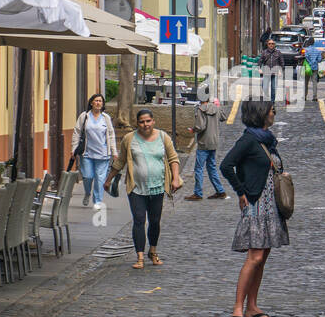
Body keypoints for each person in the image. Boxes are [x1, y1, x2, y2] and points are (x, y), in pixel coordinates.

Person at [220, 100, 289, 317]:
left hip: (271, 206)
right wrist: (240, 192)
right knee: (254, 257)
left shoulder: (268, 140)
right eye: (271, 110)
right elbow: (226, 165)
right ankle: (237, 307)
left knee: (263, 258)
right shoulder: (249, 140)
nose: (274, 113)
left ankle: (252, 306)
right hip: (256, 204)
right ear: (260, 114)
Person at [107, 109, 183, 269]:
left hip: (158, 187)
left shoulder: (163, 137)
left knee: (154, 221)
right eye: (142, 121)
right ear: (137, 123)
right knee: (139, 220)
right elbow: (120, 162)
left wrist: (175, 178)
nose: (145, 124)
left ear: (153, 121)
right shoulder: (129, 139)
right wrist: (108, 180)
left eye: (148, 121)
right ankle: (140, 256)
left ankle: (153, 251)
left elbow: (173, 159)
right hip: (136, 188)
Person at [71, 93, 117, 207]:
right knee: (87, 176)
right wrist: (74, 149)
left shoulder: (106, 118)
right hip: (87, 153)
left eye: (100, 101)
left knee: (100, 179)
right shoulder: (84, 116)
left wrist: (114, 151)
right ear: (91, 103)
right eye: (96, 101)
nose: (98, 103)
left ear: (102, 104)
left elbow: (111, 135)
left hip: (103, 153)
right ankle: (87, 193)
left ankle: (97, 201)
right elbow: (77, 132)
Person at [186, 91, 228, 201]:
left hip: (204, 142)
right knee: (212, 167)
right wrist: (219, 106)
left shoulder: (201, 109)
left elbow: (200, 126)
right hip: (214, 142)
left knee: (199, 168)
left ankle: (198, 193)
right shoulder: (215, 107)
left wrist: (193, 130)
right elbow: (224, 117)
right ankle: (220, 191)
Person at [258, 39, 284, 104]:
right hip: (266, 73)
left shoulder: (278, 52)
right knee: (265, 87)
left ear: (274, 45)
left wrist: (281, 70)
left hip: (275, 73)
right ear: (267, 44)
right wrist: (259, 68)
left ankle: (272, 101)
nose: (271, 45)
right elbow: (260, 61)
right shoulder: (264, 52)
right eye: (269, 43)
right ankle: (266, 98)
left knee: (273, 88)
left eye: (272, 43)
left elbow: (282, 63)